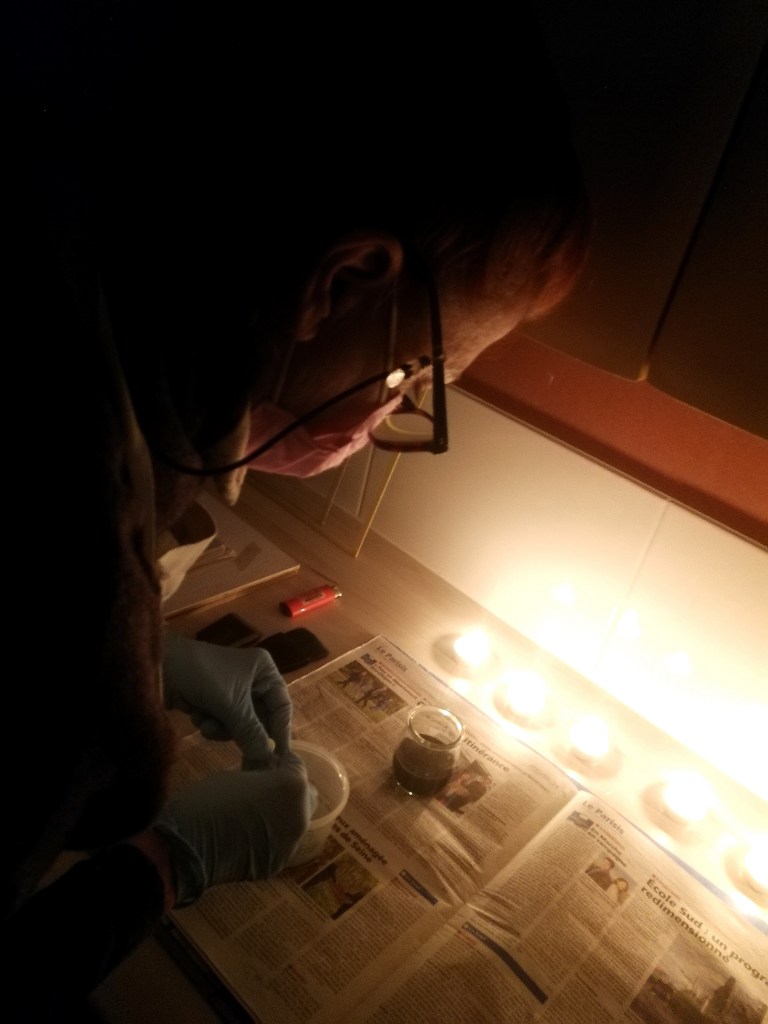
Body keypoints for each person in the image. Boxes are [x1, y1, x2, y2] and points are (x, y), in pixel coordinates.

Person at [8, 1, 589, 1018]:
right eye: (416, 373)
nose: (394, 407)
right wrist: (165, 864)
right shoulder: (65, 502)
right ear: (345, 280)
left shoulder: (83, 228)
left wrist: (148, 656)